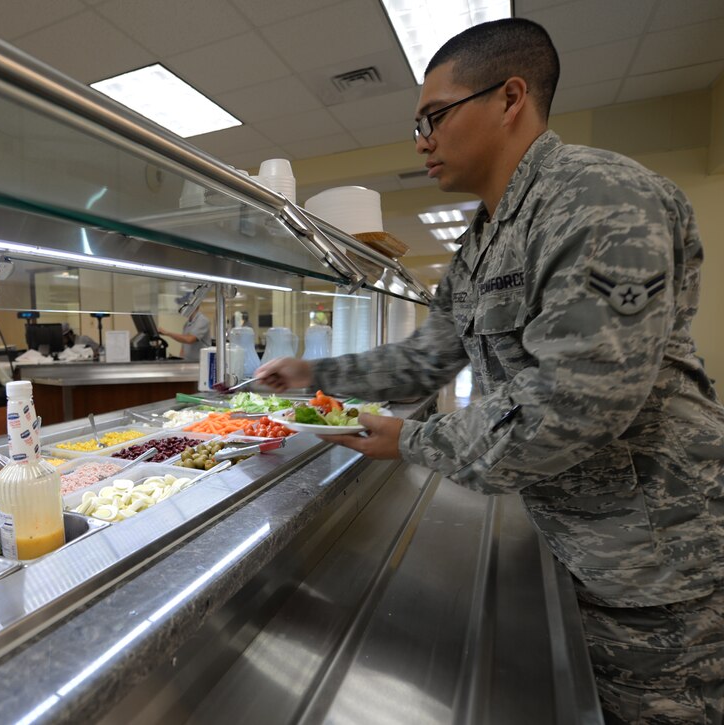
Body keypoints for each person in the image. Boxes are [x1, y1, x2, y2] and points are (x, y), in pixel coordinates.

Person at [257, 18, 724, 723]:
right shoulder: (482, 241)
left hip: (652, 568)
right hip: (571, 540)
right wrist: (309, 372)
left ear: (510, 98)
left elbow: (576, 404)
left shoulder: (598, 200)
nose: (422, 141)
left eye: (434, 117)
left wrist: (410, 441)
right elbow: (424, 357)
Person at [159, 293, 212, 362]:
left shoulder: (202, 320)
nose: (181, 307)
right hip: (189, 361)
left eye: (184, 304)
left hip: (200, 362)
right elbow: (184, 345)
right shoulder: (187, 323)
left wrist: (167, 333)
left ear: (194, 305)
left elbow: (189, 339)